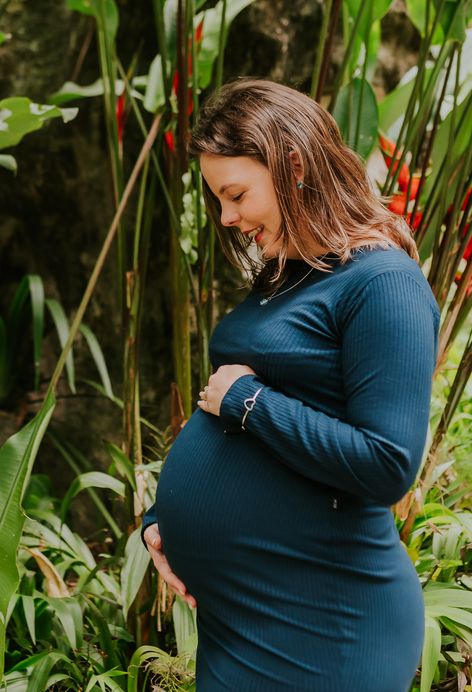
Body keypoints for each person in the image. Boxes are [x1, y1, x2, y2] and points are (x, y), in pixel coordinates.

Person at [142, 79, 439, 691]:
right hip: (240, 619)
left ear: (294, 165)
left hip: (325, 620)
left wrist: (250, 403)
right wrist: (160, 519)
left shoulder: (383, 282)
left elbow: (387, 464)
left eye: (236, 195)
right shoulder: (292, 275)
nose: (226, 217)